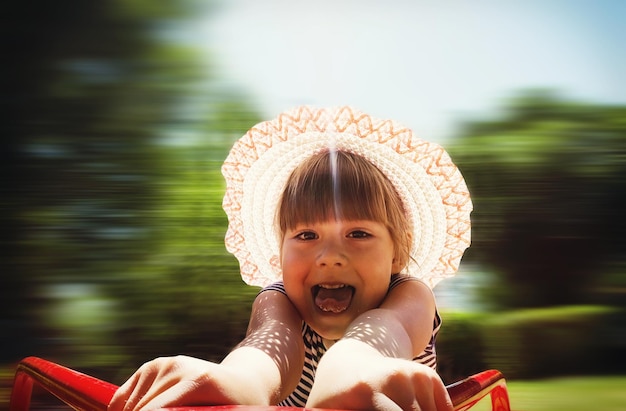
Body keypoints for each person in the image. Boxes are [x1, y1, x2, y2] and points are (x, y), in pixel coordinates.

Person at [108, 106, 472, 411]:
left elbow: (388, 329)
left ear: (398, 252)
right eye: (306, 235)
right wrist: (239, 380)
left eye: (358, 234)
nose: (330, 257)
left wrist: (350, 366)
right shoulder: (280, 299)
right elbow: (270, 343)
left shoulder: (409, 295)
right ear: (280, 249)